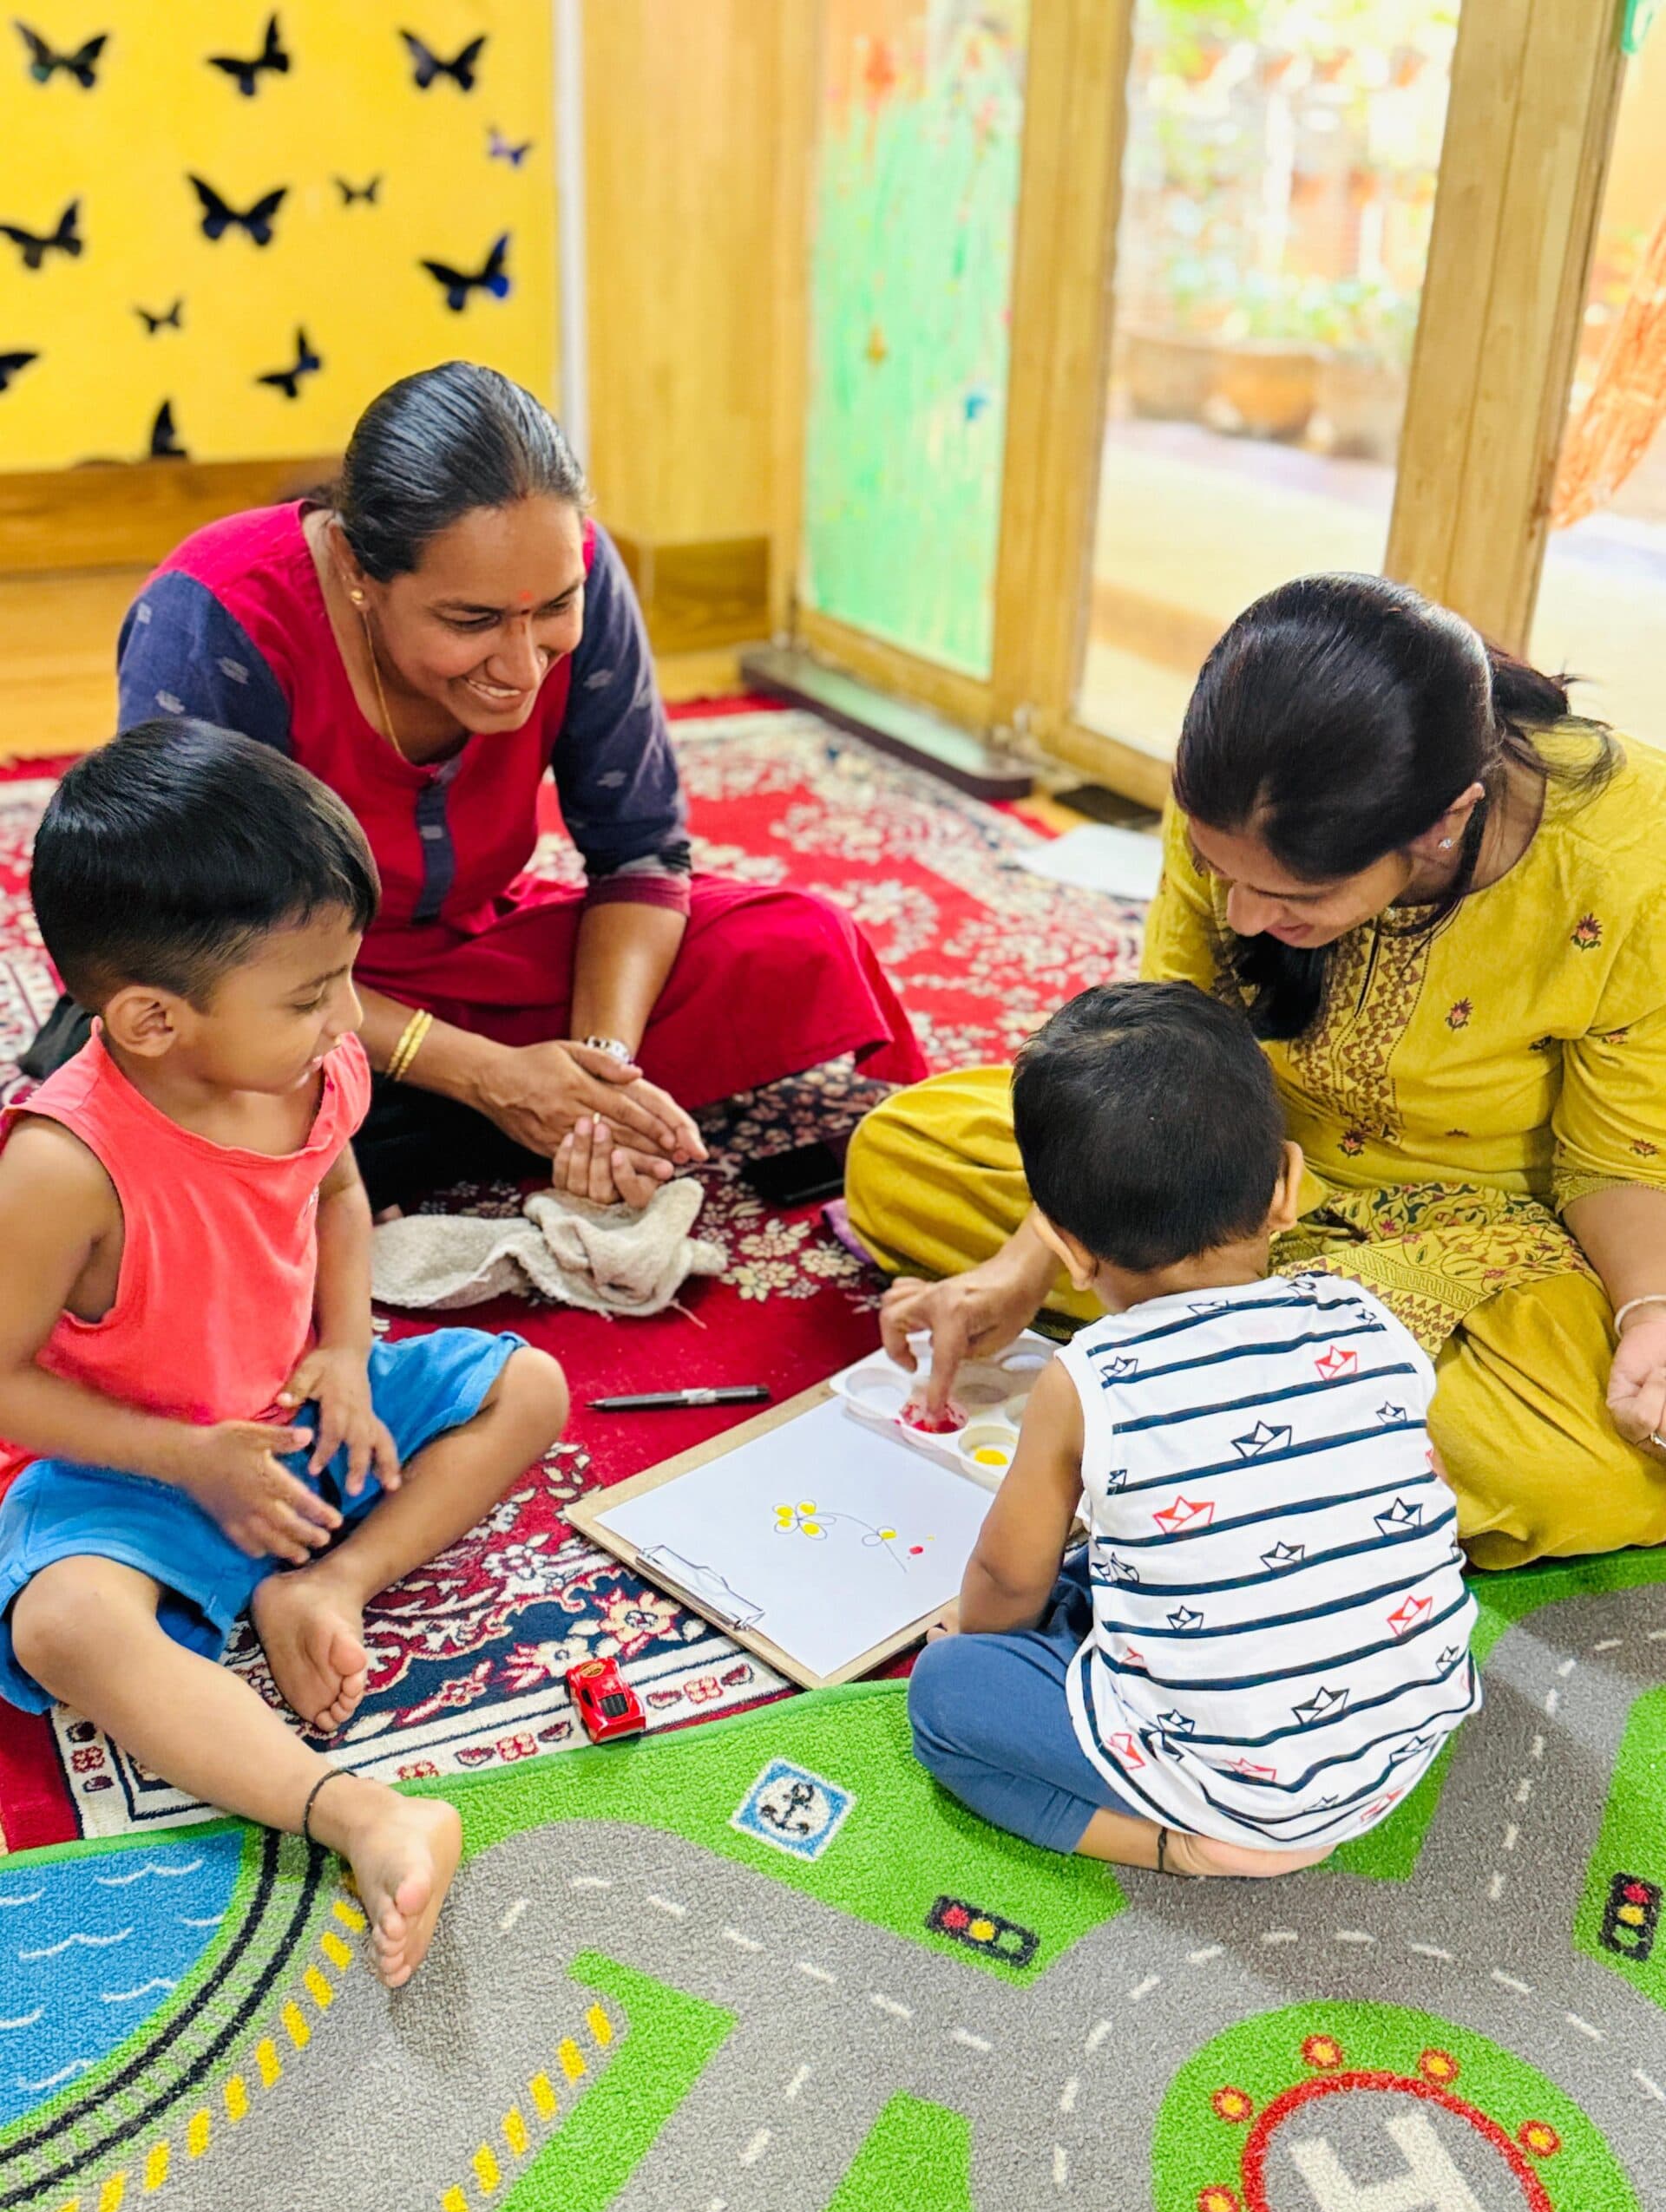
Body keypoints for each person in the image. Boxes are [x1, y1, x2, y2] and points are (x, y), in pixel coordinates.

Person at [851, 573, 1666, 1569]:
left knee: (1586, 1467)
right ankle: (1266, 1394)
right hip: (1223, 1164)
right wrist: (1021, 1269)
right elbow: (1161, 1061)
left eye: (1291, 894)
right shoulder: (1232, 778)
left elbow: (1619, 1156)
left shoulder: (1630, 856)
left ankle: (1173, 1335)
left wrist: (1647, 1316)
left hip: (1489, 1230)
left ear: (1443, 822)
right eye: (1218, 870)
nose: (1237, 916)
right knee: (903, 1151)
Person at [24, 360, 924, 1213]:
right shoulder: (215, 618)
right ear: (355, 569)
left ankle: (465, 1133)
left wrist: (597, 1069)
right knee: (185, 1085)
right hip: (282, 995)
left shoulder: (581, 568)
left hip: (478, 952)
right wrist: (489, 1074)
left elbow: (641, 853)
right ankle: (446, 1128)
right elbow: (197, 941)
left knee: (797, 946)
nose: (522, 663)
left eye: (554, 611)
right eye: (472, 620)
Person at [0, 723, 570, 1987]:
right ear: (151, 1016)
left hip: (293, 1421)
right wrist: (187, 1458)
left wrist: (352, 1354)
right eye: (311, 995)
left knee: (529, 1386)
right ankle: (353, 1812)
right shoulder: (60, 1166)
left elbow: (338, 1195)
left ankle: (324, 1586)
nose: (342, 1021)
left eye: (346, 982)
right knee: (64, 1626)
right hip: (131, 1469)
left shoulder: (316, 1067)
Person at [908, 981, 1481, 1873]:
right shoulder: (1370, 1315)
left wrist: (974, 1635)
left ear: (1064, 1243)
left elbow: (1003, 1576)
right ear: (1287, 1186)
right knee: (1118, 1563)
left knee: (948, 1697)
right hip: (1408, 1731)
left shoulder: (1084, 1379)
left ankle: (1189, 1848)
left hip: (1239, 1789)